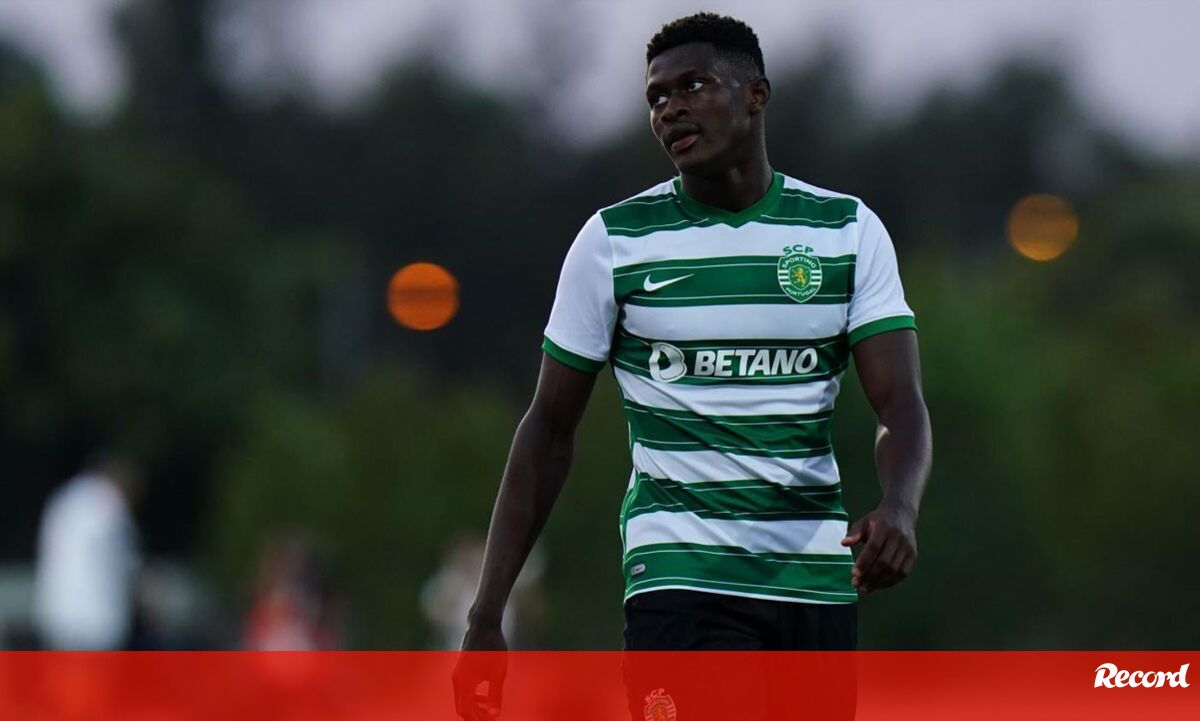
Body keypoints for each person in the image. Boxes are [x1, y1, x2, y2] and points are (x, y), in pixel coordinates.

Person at [454, 13, 932, 720]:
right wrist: (486, 611)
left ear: (755, 95)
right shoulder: (613, 243)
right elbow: (548, 431)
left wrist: (899, 508)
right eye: (656, 97)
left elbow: (901, 407)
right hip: (681, 573)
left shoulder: (846, 231)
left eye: (693, 86)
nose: (669, 109)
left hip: (813, 579)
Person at [33, 453, 144, 650]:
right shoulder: (109, 504)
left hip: (56, 613)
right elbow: (123, 564)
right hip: (97, 620)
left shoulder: (63, 499)